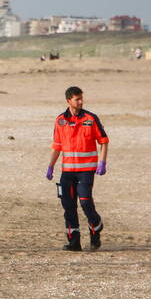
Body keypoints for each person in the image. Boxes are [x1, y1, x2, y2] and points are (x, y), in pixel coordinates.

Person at [46, 86, 109, 251]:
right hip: (67, 172)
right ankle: (74, 242)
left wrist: (102, 162)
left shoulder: (91, 118)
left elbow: (103, 141)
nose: (80, 102)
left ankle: (96, 227)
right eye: (77, 99)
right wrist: (51, 166)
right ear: (69, 100)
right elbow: (57, 145)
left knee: (86, 202)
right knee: (68, 206)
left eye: (81, 99)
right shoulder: (60, 120)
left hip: (86, 171)